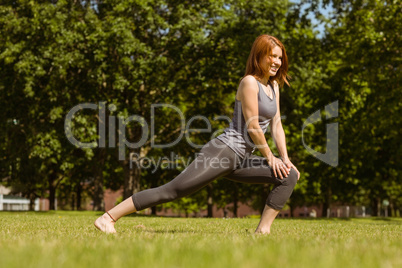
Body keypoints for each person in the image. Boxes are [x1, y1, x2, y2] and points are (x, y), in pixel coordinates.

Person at [94, 34, 300, 234]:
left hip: (243, 158)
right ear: (259, 56)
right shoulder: (249, 82)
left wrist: (285, 158)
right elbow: (253, 125)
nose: (277, 62)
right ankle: (107, 218)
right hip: (224, 152)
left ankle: (263, 231)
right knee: (173, 190)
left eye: (280, 57)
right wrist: (270, 157)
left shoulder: (274, 86)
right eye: (272, 56)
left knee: (289, 175)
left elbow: (277, 124)